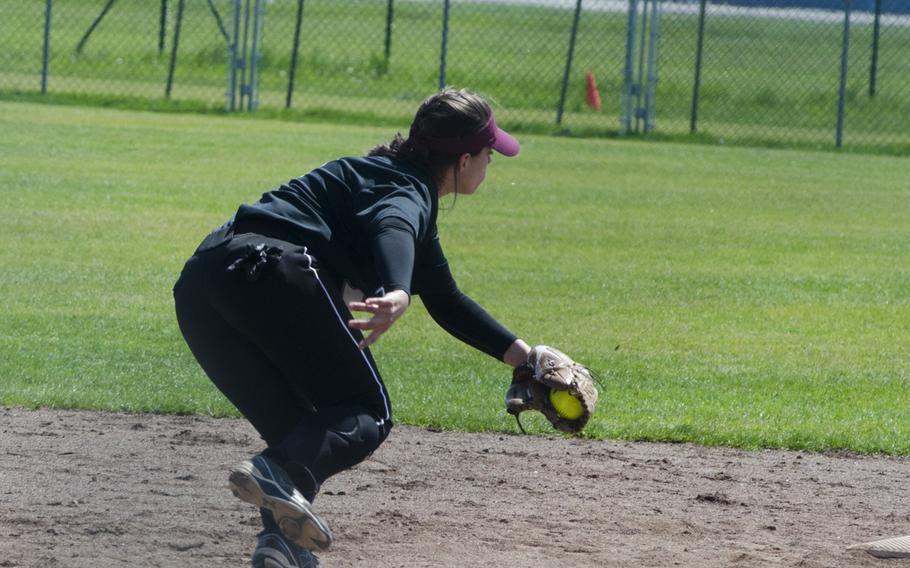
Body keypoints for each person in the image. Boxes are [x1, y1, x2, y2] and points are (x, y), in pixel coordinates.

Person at [173, 88, 531, 568]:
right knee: (368, 409)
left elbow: (447, 300)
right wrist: (397, 289)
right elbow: (394, 225)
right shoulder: (409, 194)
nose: (491, 161)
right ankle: (276, 474)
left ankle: (282, 548)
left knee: (299, 430)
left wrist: (527, 359)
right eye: (489, 153)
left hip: (202, 283)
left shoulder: (383, 174)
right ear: (464, 159)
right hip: (271, 271)